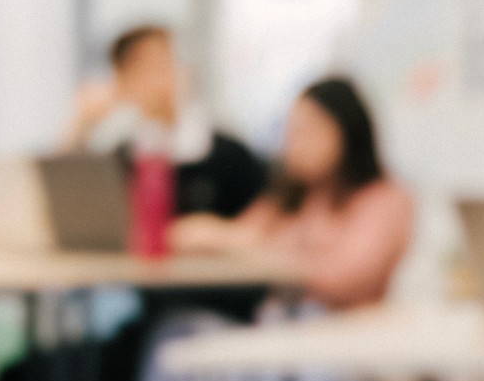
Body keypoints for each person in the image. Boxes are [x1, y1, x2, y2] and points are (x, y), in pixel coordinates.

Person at [172, 76, 413, 309]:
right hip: (280, 319)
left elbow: (347, 278)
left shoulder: (383, 200)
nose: (294, 144)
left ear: (347, 132)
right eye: (291, 131)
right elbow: (243, 234)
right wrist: (212, 235)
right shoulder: (291, 194)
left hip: (345, 328)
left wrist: (258, 252)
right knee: (178, 324)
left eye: (307, 131)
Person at [67, 25, 267, 219]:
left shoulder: (227, 154)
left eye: (166, 62)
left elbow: (268, 220)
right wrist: (83, 123)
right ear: (124, 81)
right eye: (144, 68)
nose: (161, 78)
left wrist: (222, 233)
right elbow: (76, 206)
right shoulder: (123, 157)